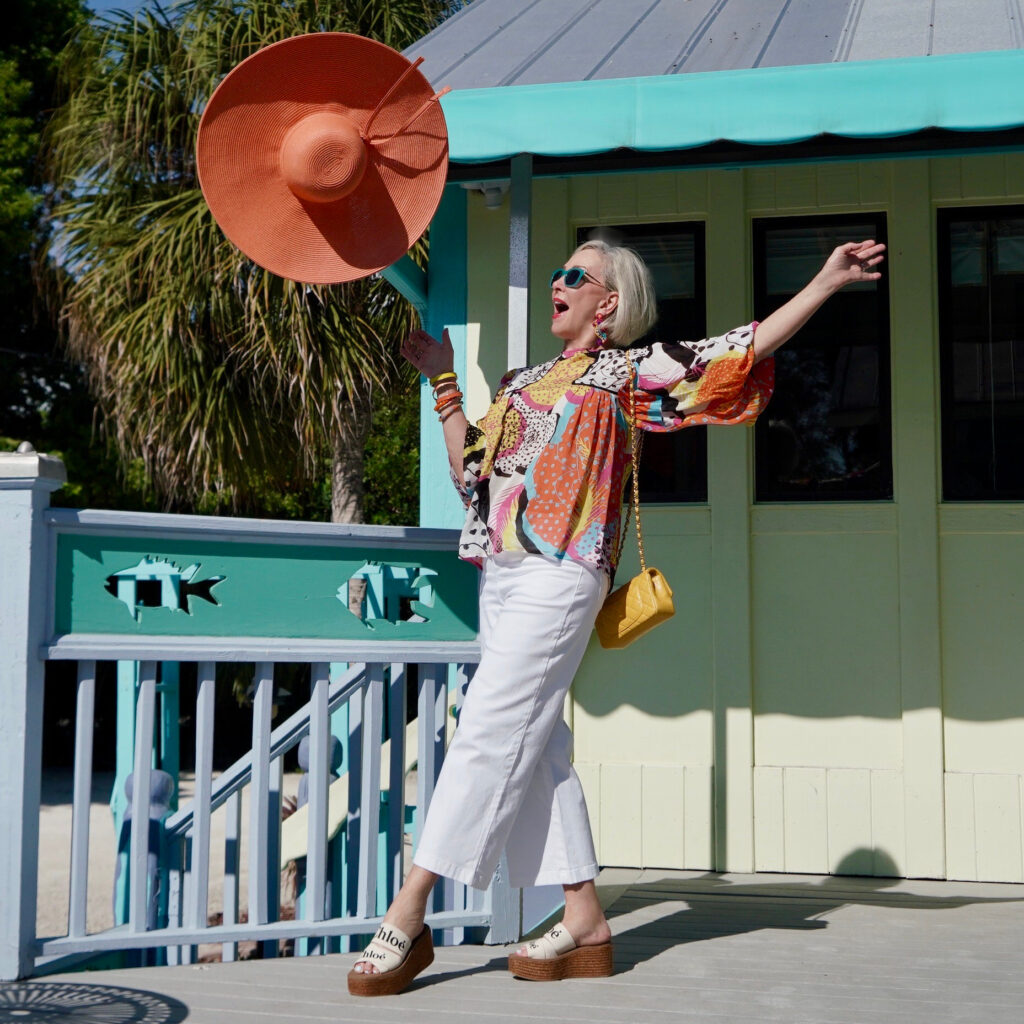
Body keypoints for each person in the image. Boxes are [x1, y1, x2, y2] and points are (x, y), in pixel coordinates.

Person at [347, 236, 886, 996]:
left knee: (487, 730)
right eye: (558, 273)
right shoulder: (522, 381)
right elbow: (470, 467)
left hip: (564, 571)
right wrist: (442, 380)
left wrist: (825, 283)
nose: (558, 283)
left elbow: (737, 347)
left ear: (609, 304)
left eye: (576, 276)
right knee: (536, 744)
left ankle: (409, 911)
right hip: (500, 573)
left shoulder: (624, 374)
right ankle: (584, 916)